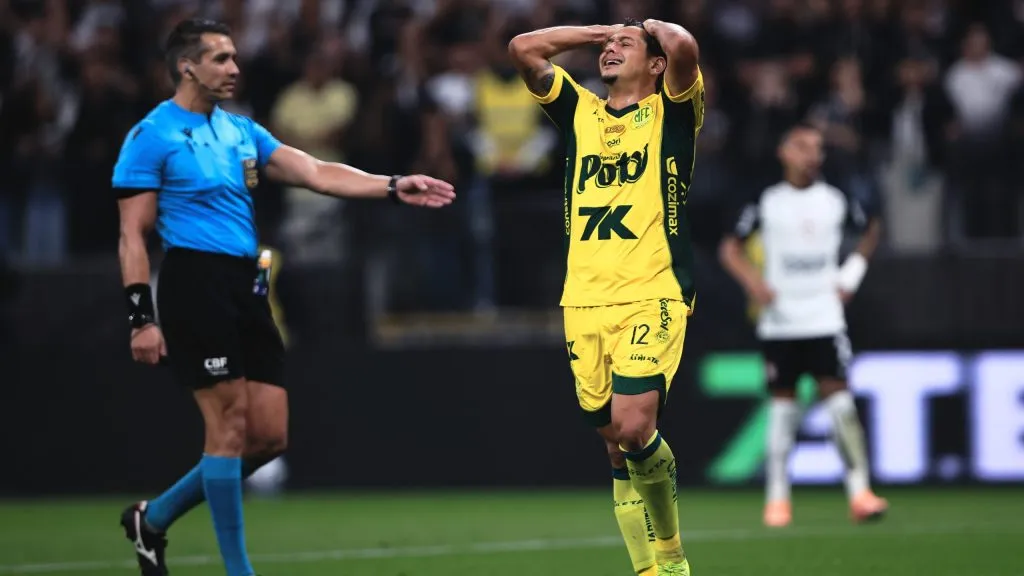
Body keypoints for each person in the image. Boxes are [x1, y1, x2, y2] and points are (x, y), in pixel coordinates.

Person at [112, 18, 455, 576]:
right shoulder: (151, 136)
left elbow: (316, 171)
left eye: (234, 57)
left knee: (269, 437)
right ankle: (239, 570)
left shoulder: (241, 130)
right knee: (226, 428)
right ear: (186, 66)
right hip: (192, 283)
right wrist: (140, 317)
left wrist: (391, 186)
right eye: (221, 58)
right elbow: (132, 234)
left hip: (248, 283)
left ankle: (152, 521)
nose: (234, 68)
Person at [509, 17, 702, 576]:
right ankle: (647, 571)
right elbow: (523, 49)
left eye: (627, 46)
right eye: (607, 46)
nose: (611, 50)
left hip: (653, 291)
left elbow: (685, 44)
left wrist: (648, 25)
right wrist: (597, 31)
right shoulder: (580, 111)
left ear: (656, 63)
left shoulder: (673, 111)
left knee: (635, 426)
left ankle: (670, 552)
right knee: (616, 448)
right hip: (584, 299)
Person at [718, 123, 888, 528]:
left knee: (840, 401)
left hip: (824, 317)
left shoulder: (835, 199)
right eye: (802, 146)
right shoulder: (767, 201)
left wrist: (851, 276)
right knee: (782, 409)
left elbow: (871, 230)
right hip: (780, 322)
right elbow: (730, 248)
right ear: (784, 152)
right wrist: (754, 283)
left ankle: (860, 492)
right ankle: (777, 498)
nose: (812, 154)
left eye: (817, 148)